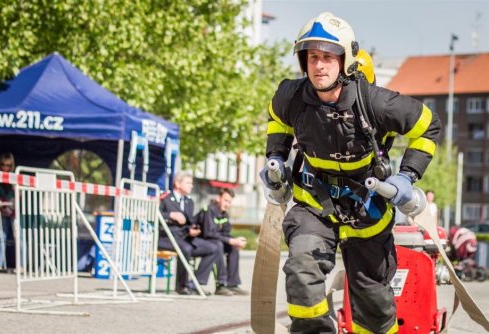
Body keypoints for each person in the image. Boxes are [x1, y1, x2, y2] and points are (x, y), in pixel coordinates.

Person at [261, 12, 441, 333]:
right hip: (313, 202)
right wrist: (275, 158)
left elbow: (428, 127)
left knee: (373, 302)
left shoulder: (376, 102)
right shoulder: (291, 95)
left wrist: (407, 176)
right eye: (312, 57)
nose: (319, 66)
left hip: (367, 206)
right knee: (302, 269)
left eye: (328, 57)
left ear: (345, 60)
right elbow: (278, 119)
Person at [158, 172, 218, 295]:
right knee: (186, 248)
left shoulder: (189, 202)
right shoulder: (166, 199)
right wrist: (170, 215)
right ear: (177, 183)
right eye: (188, 183)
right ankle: (182, 286)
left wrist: (192, 230)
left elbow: (189, 222)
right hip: (166, 237)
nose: (191, 186)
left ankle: (194, 283)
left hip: (184, 237)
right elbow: (154, 214)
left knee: (213, 248)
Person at [196, 188, 248, 296]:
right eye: (225, 200)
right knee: (218, 246)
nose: (227, 204)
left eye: (229, 202)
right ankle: (220, 284)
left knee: (233, 247)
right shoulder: (209, 210)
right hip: (201, 242)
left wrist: (235, 241)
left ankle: (232, 284)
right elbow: (208, 234)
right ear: (219, 198)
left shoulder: (224, 214)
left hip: (214, 241)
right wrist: (230, 240)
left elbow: (226, 233)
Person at [0, 152, 16, 270]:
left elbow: (18, 193)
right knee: (0, 236)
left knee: (18, 236)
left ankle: (21, 265)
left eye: (8, 165)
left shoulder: (15, 176)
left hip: (13, 209)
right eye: (3, 165)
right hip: (1, 208)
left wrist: (12, 206)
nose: (5, 168)